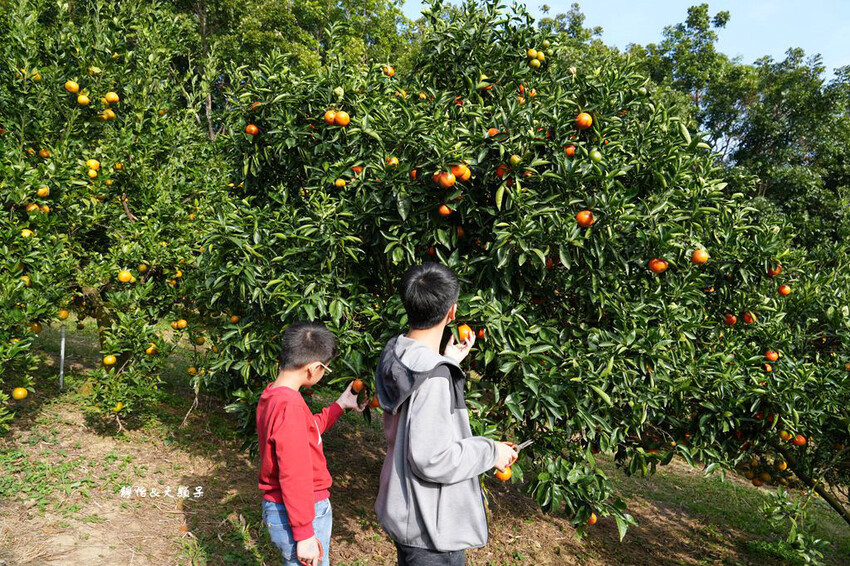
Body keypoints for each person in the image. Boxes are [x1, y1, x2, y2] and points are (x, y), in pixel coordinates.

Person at [374, 263, 518, 565]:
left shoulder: (397, 351)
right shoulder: (433, 376)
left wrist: (445, 360)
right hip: (430, 529)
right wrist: (492, 452)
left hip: (404, 509)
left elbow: (415, 388)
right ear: (452, 311)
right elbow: (433, 459)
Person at [257, 321, 366, 565]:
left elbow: (306, 431)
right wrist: (305, 533)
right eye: (325, 369)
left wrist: (340, 405)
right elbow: (294, 473)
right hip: (302, 512)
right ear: (314, 368)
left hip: (287, 509)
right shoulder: (290, 406)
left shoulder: (274, 394)